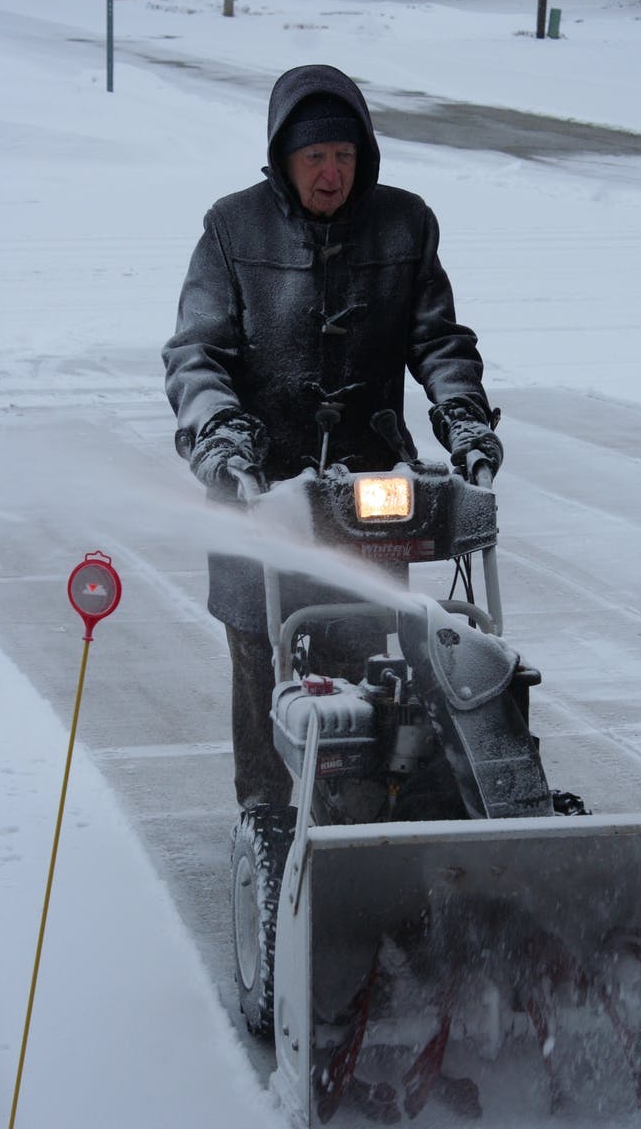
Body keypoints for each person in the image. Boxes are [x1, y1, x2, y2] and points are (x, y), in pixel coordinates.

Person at [162, 64, 502, 808]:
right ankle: (264, 814)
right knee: (263, 652)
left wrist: (464, 416)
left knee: (366, 648)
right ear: (283, 158)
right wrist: (221, 438)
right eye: (315, 156)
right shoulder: (233, 228)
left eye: (344, 155)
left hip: (368, 491)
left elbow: (438, 340)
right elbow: (196, 353)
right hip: (258, 488)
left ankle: (362, 815)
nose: (331, 173)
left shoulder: (404, 224)